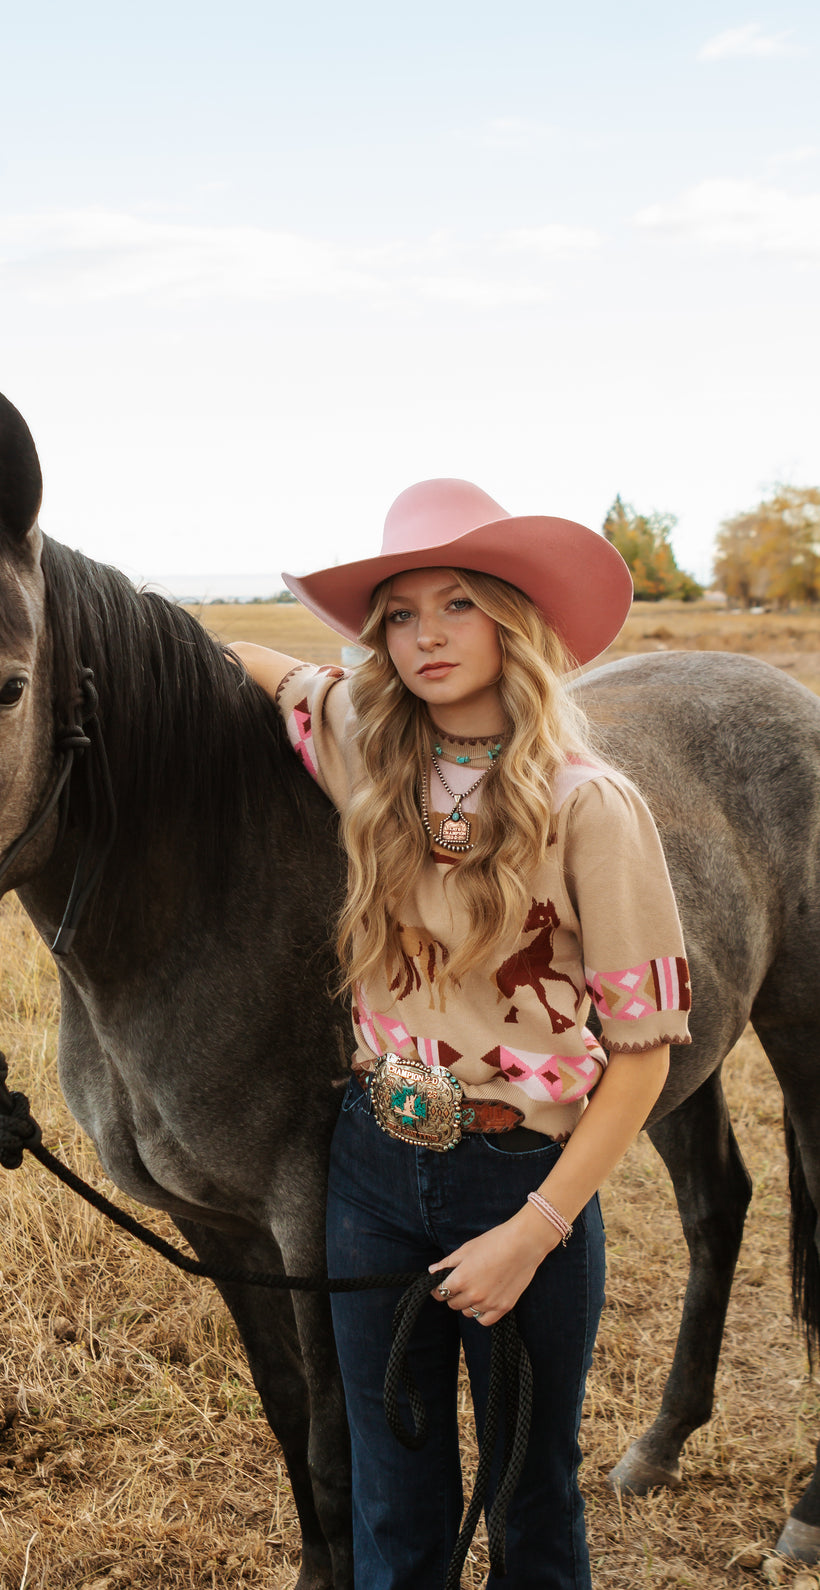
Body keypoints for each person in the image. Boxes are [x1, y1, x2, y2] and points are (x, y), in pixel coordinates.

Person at [231, 478, 691, 1590]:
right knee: (394, 1500)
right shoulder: (366, 750)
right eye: (398, 614)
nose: (425, 637)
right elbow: (266, 666)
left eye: (456, 606)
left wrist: (532, 1231)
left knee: (532, 1497)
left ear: (511, 619)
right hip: (370, 1172)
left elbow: (643, 1053)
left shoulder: (590, 805)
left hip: (518, 1173)